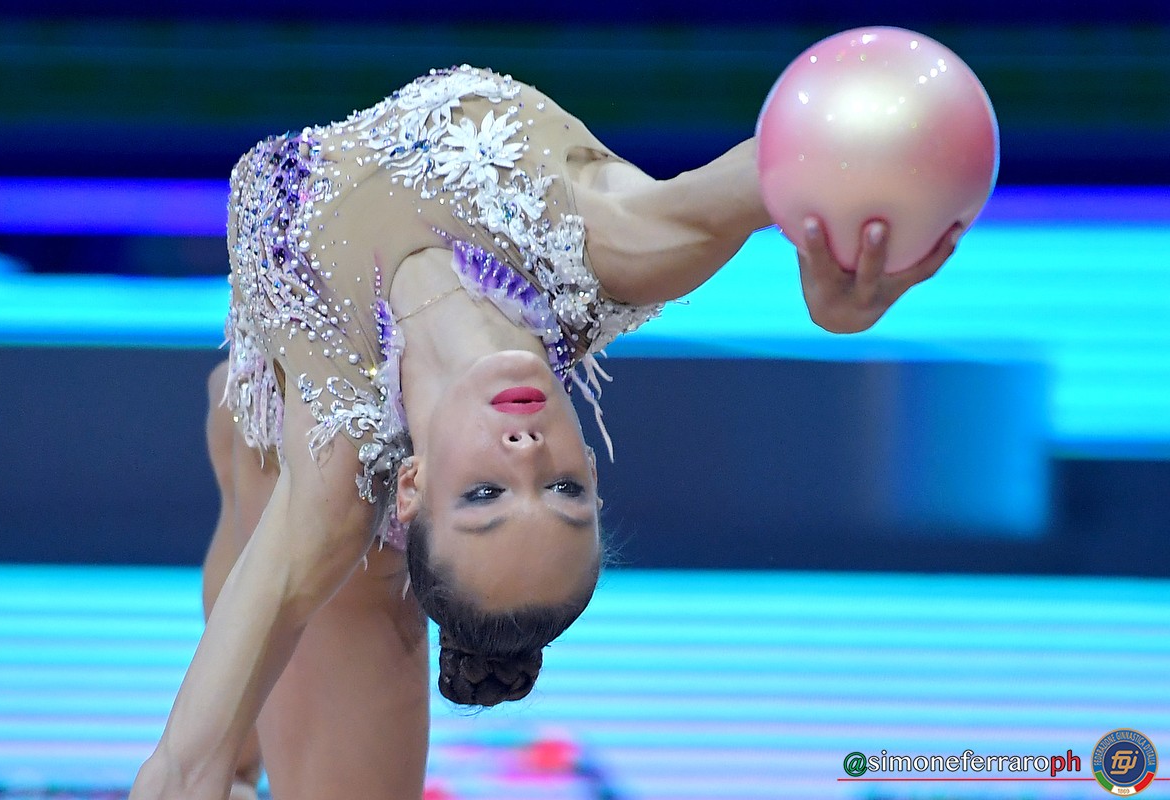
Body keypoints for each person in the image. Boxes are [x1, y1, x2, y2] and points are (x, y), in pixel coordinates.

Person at [129, 64, 959, 800]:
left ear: (412, 489)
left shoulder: (334, 492)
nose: (526, 455)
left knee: (269, 495)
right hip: (264, 402)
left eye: (485, 496)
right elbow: (799, 159)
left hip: (328, 543)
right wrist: (840, 263)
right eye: (564, 489)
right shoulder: (607, 245)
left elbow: (176, 771)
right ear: (592, 465)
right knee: (242, 434)